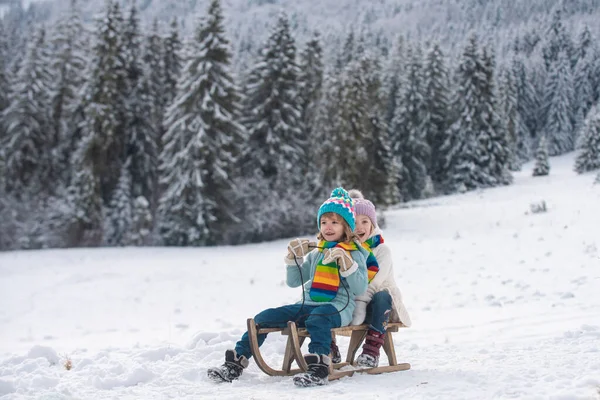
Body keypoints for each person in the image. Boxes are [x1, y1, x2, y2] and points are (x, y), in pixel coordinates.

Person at [207, 188, 369, 387]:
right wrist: (293, 258)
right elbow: (294, 281)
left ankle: (319, 367)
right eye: (324, 222)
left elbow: (360, 287)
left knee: (318, 318)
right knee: (263, 318)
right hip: (308, 304)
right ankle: (235, 363)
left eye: (335, 222)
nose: (328, 227)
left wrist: (347, 264)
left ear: (346, 227)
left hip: (338, 307)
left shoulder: (354, 253)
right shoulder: (317, 252)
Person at [344, 189, 412, 368]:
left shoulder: (382, 250)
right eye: (354, 222)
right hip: (353, 305)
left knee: (382, 296)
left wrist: (358, 306)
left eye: (365, 222)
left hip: (380, 306)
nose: (359, 227)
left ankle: (371, 352)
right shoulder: (345, 250)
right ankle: (329, 351)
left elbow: (373, 284)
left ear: (372, 225)